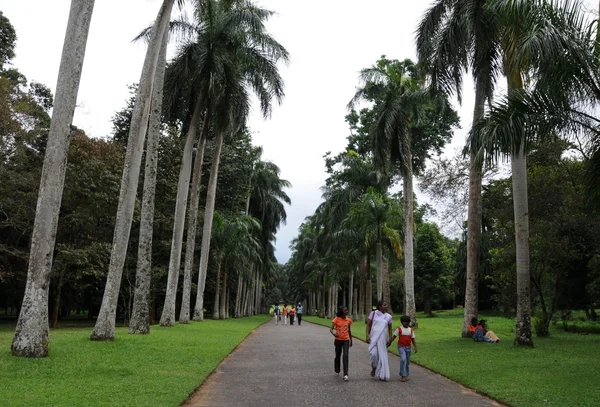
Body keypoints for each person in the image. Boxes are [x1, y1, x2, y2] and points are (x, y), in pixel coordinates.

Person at [366, 300, 393, 381]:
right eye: (384, 305)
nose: (386, 306)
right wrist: (367, 335)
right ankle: (374, 367)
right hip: (374, 338)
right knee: (373, 354)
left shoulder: (388, 316)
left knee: (382, 356)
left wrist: (390, 339)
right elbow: (368, 325)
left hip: (383, 338)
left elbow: (390, 329)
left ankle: (382, 374)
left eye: (386, 305)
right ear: (380, 306)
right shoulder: (373, 313)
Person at [388, 315, 418, 382]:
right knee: (403, 360)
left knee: (407, 361)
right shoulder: (399, 329)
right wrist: (389, 343)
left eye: (408, 322)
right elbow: (394, 337)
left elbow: (413, 339)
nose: (406, 323)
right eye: (405, 322)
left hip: (408, 347)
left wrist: (415, 347)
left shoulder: (411, 330)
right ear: (402, 322)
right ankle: (403, 375)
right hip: (401, 347)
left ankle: (406, 374)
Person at [330, 306, 353, 381]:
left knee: (345, 356)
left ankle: (345, 374)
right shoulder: (336, 319)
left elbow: (349, 331)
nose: (346, 311)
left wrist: (351, 340)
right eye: (345, 310)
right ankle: (337, 369)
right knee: (338, 355)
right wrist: (334, 334)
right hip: (338, 340)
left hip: (346, 340)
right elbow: (331, 329)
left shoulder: (348, 320)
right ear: (341, 312)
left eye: (347, 310)